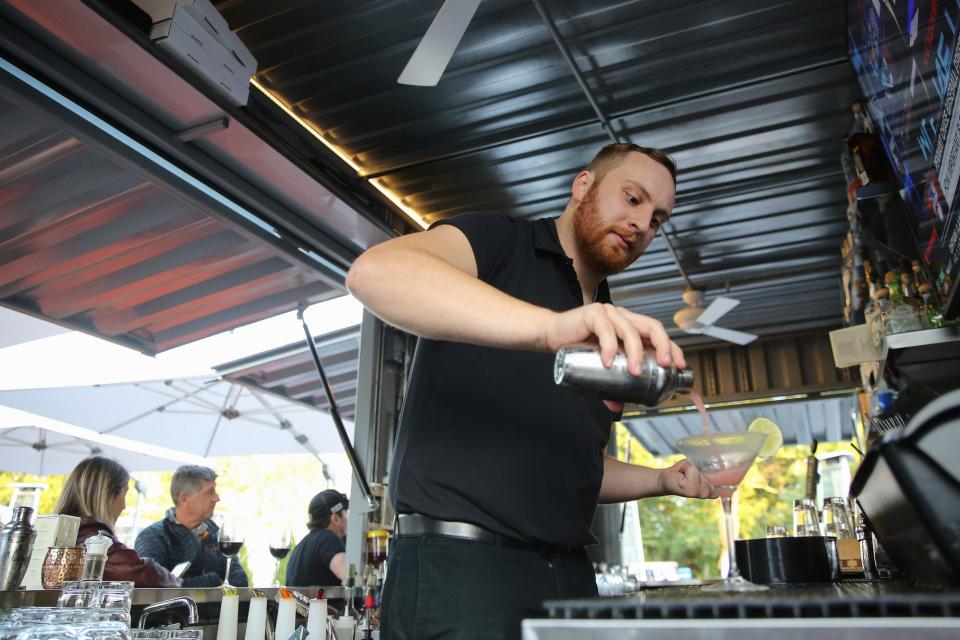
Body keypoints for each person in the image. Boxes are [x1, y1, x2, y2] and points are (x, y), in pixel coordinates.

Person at [346, 142, 719, 640]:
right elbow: (374, 273)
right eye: (633, 199)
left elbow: (576, 463)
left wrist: (660, 480)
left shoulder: (605, 325)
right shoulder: (502, 241)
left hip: (568, 579)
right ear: (583, 186)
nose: (642, 224)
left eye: (657, 219)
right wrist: (550, 329)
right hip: (463, 573)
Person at [54, 456, 179, 587]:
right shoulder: (97, 539)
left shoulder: (53, 532)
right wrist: (175, 580)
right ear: (107, 495)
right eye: (124, 494)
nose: (124, 505)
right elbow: (142, 573)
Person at [135, 465, 247, 587]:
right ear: (185, 499)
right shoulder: (153, 536)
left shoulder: (216, 535)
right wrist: (213, 580)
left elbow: (240, 582)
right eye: (210, 492)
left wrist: (183, 582)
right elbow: (153, 585)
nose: (216, 498)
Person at [285, 489, 349, 587]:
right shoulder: (328, 538)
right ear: (335, 519)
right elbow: (350, 577)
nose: (348, 517)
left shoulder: (299, 547)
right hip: (324, 603)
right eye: (345, 512)